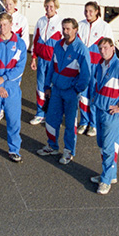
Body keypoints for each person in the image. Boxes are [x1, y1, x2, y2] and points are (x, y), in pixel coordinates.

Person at [36, 17, 91, 165]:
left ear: (75, 30)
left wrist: (76, 90)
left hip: (71, 93)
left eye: (68, 29)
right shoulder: (58, 45)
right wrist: (47, 87)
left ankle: (68, 151)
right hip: (56, 91)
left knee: (70, 124)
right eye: (63, 28)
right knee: (52, 120)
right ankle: (52, 146)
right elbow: (52, 68)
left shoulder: (81, 49)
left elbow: (86, 75)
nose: (65, 32)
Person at [89, 37, 119, 195]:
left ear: (113, 48)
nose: (102, 51)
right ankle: (111, 175)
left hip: (110, 112)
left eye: (105, 48)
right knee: (102, 143)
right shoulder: (100, 65)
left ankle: (105, 181)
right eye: (100, 48)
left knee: (109, 147)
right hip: (99, 109)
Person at [0, 12, 27, 163]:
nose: (2, 28)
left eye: (5, 24)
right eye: (0, 25)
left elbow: (20, 68)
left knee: (14, 121)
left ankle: (14, 150)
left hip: (12, 88)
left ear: (11, 24)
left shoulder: (20, 43)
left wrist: (5, 79)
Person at [77, 1, 115, 137]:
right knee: (82, 94)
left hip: (97, 66)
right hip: (83, 66)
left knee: (94, 95)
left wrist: (108, 65)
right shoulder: (80, 25)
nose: (88, 14)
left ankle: (93, 124)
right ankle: (84, 121)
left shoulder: (105, 27)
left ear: (97, 11)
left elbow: (111, 47)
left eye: (90, 11)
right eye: (86, 11)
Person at [29, 0, 63, 126]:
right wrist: (33, 58)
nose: (49, 9)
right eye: (47, 6)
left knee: (54, 89)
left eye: (51, 7)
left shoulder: (60, 23)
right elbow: (36, 40)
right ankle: (40, 113)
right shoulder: (41, 21)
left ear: (56, 8)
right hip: (42, 60)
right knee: (40, 87)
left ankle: (53, 115)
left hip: (54, 63)